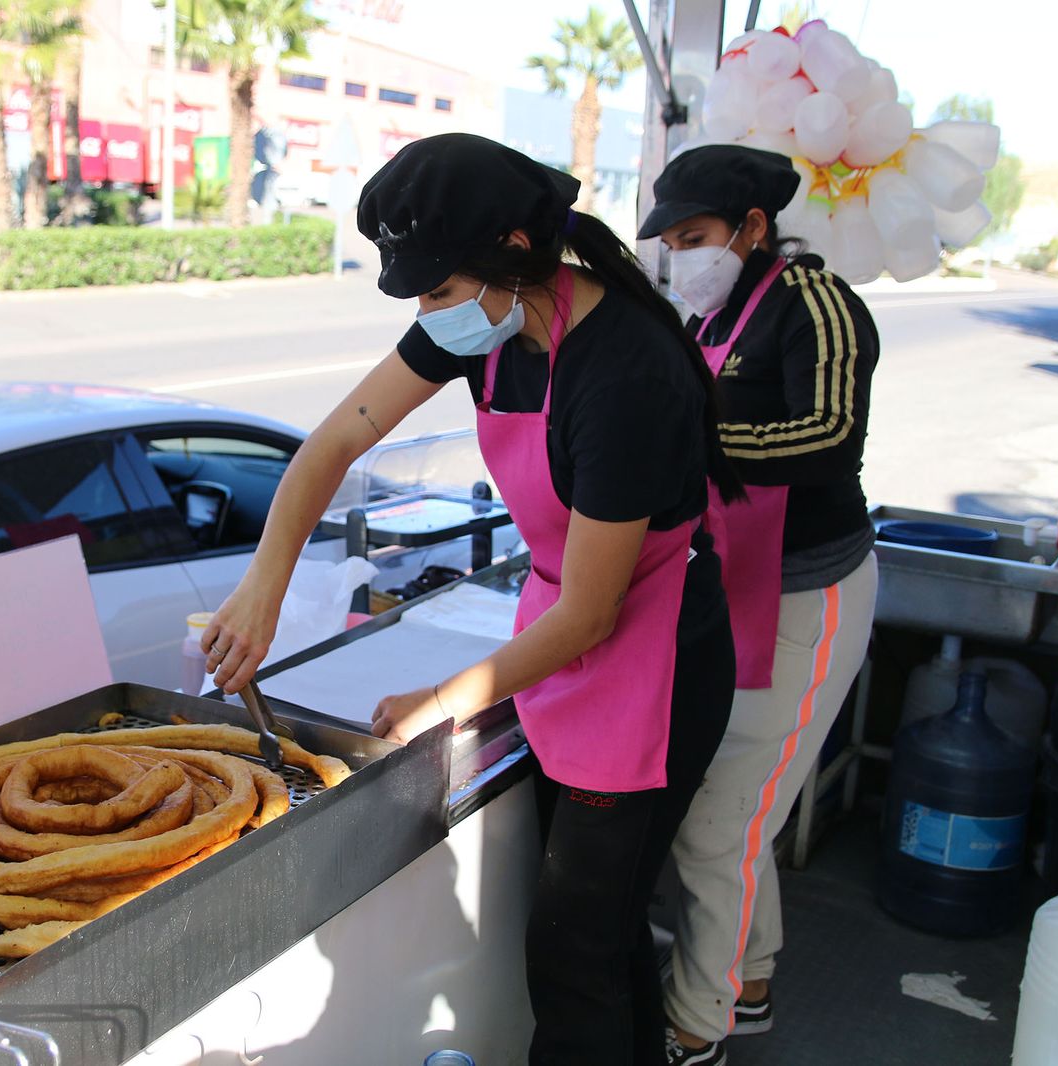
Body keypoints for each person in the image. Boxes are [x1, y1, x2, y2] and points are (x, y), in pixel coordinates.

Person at [201, 133, 739, 1066]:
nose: (425, 315)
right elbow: (333, 443)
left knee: (574, 946)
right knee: (601, 932)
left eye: (437, 291)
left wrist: (440, 702)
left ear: (516, 250)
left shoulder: (625, 373)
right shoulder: (481, 317)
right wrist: (262, 587)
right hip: (562, 635)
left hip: (653, 662)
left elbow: (593, 615)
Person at [639, 145, 881, 1066]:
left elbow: (830, 435)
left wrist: (694, 440)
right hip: (731, 586)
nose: (682, 258)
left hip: (808, 596)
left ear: (751, 227)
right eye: (670, 243)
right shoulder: (711, 314)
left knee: (718, 823)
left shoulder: (816, 303)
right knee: (737, 805)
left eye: (695, 237)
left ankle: (696, 1024)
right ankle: (750, 979)